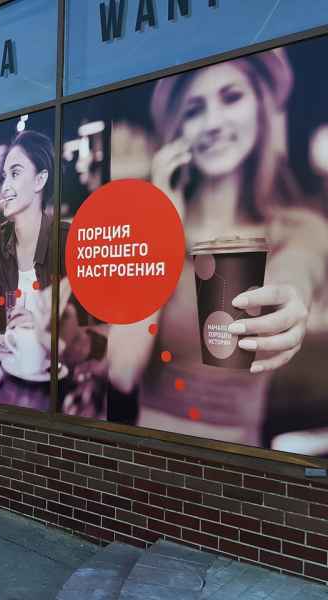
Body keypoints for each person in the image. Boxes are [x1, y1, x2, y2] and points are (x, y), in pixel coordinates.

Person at [63, 49, 328, 446]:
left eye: (231, 97)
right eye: (194, 110)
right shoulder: (152, 226)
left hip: (240, 460)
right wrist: (164, 228)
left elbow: (297, 274)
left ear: (260, 108)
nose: (213, 123)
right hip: (148, 451)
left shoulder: (300, 228)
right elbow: (122, 372)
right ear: (178, 131)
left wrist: (292, 303)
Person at [0, 130, 62, 332]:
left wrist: (39, 325)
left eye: (15, 173)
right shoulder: (0, 239)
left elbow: (84, 330)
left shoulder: (65, 239)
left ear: (39, 180)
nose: (5, 186)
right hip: (8, 352)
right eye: (5, 176)